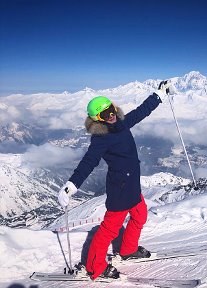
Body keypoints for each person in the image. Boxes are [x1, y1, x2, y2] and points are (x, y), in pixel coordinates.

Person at [58, 80, 173, 281]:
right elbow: (89, 162)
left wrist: (158, 95)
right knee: (109, 229)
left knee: (140, 216)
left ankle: (128, 250)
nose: (110, 115)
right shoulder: (100, 139)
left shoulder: (120, 123)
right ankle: (95, 267)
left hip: (132, 186)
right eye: (104, 114)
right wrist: (72, 184)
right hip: (120, 190)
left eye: (111, 109)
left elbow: (140, 112)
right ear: (97, 119)